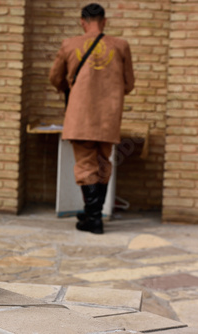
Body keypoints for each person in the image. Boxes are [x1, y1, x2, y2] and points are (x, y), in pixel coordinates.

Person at [49, 3, 135, 234]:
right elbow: (129, 84)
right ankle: (91, 214)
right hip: (109, 116)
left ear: (82, 21)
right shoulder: (121, 45)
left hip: (80, 115)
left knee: (86, 165)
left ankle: (94, 219)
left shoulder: (70, 44)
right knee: (103, 162)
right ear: (104, 21)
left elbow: (55, 78)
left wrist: (75, 86)